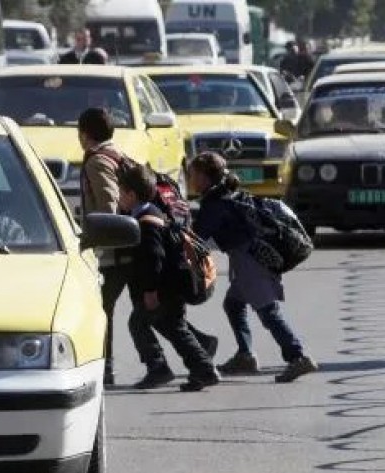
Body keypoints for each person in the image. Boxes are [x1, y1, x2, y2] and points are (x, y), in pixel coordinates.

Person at [77, 108, 217, 387]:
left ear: (83, 134)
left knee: (109, 309)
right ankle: (199, 349)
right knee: (151, 312)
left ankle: (111, 368)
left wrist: (98, 235)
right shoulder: (119, 155)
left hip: (116, 251)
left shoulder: (97, 161)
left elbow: (108, 205)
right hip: (132, 249)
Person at [189, 151, 318, 383]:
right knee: (233, 304)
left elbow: (198, 236)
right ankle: (245, 356)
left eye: (193, 175)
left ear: (205, 177)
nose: (191, 180)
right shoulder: (227, 194)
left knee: (268, 311)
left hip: (251, 262)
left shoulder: (215, 203)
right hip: (248, 259)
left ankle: (298, 356)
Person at [118, 165, 220, 391]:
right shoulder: (152, 213)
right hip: (171, 286)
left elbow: (154, 258)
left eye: (121, 193)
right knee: (173, 328)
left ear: (132, 195)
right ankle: (201, 369)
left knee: (141, 324)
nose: (119, 198)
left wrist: (151, 291)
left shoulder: (147, 221)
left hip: (165, 288)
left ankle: (161, 368)